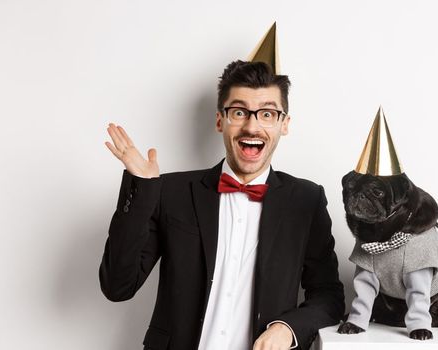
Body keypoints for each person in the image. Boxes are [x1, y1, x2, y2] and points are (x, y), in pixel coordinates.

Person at [99, 59, 345, 350]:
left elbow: (329, 297)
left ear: (284, 124)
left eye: (267, 113)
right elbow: (117, 287)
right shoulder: (172, 192)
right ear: (220, 120)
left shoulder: (306, 200)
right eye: (239, 112)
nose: (252, 126)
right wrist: (143, 189)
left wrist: (287, 328)